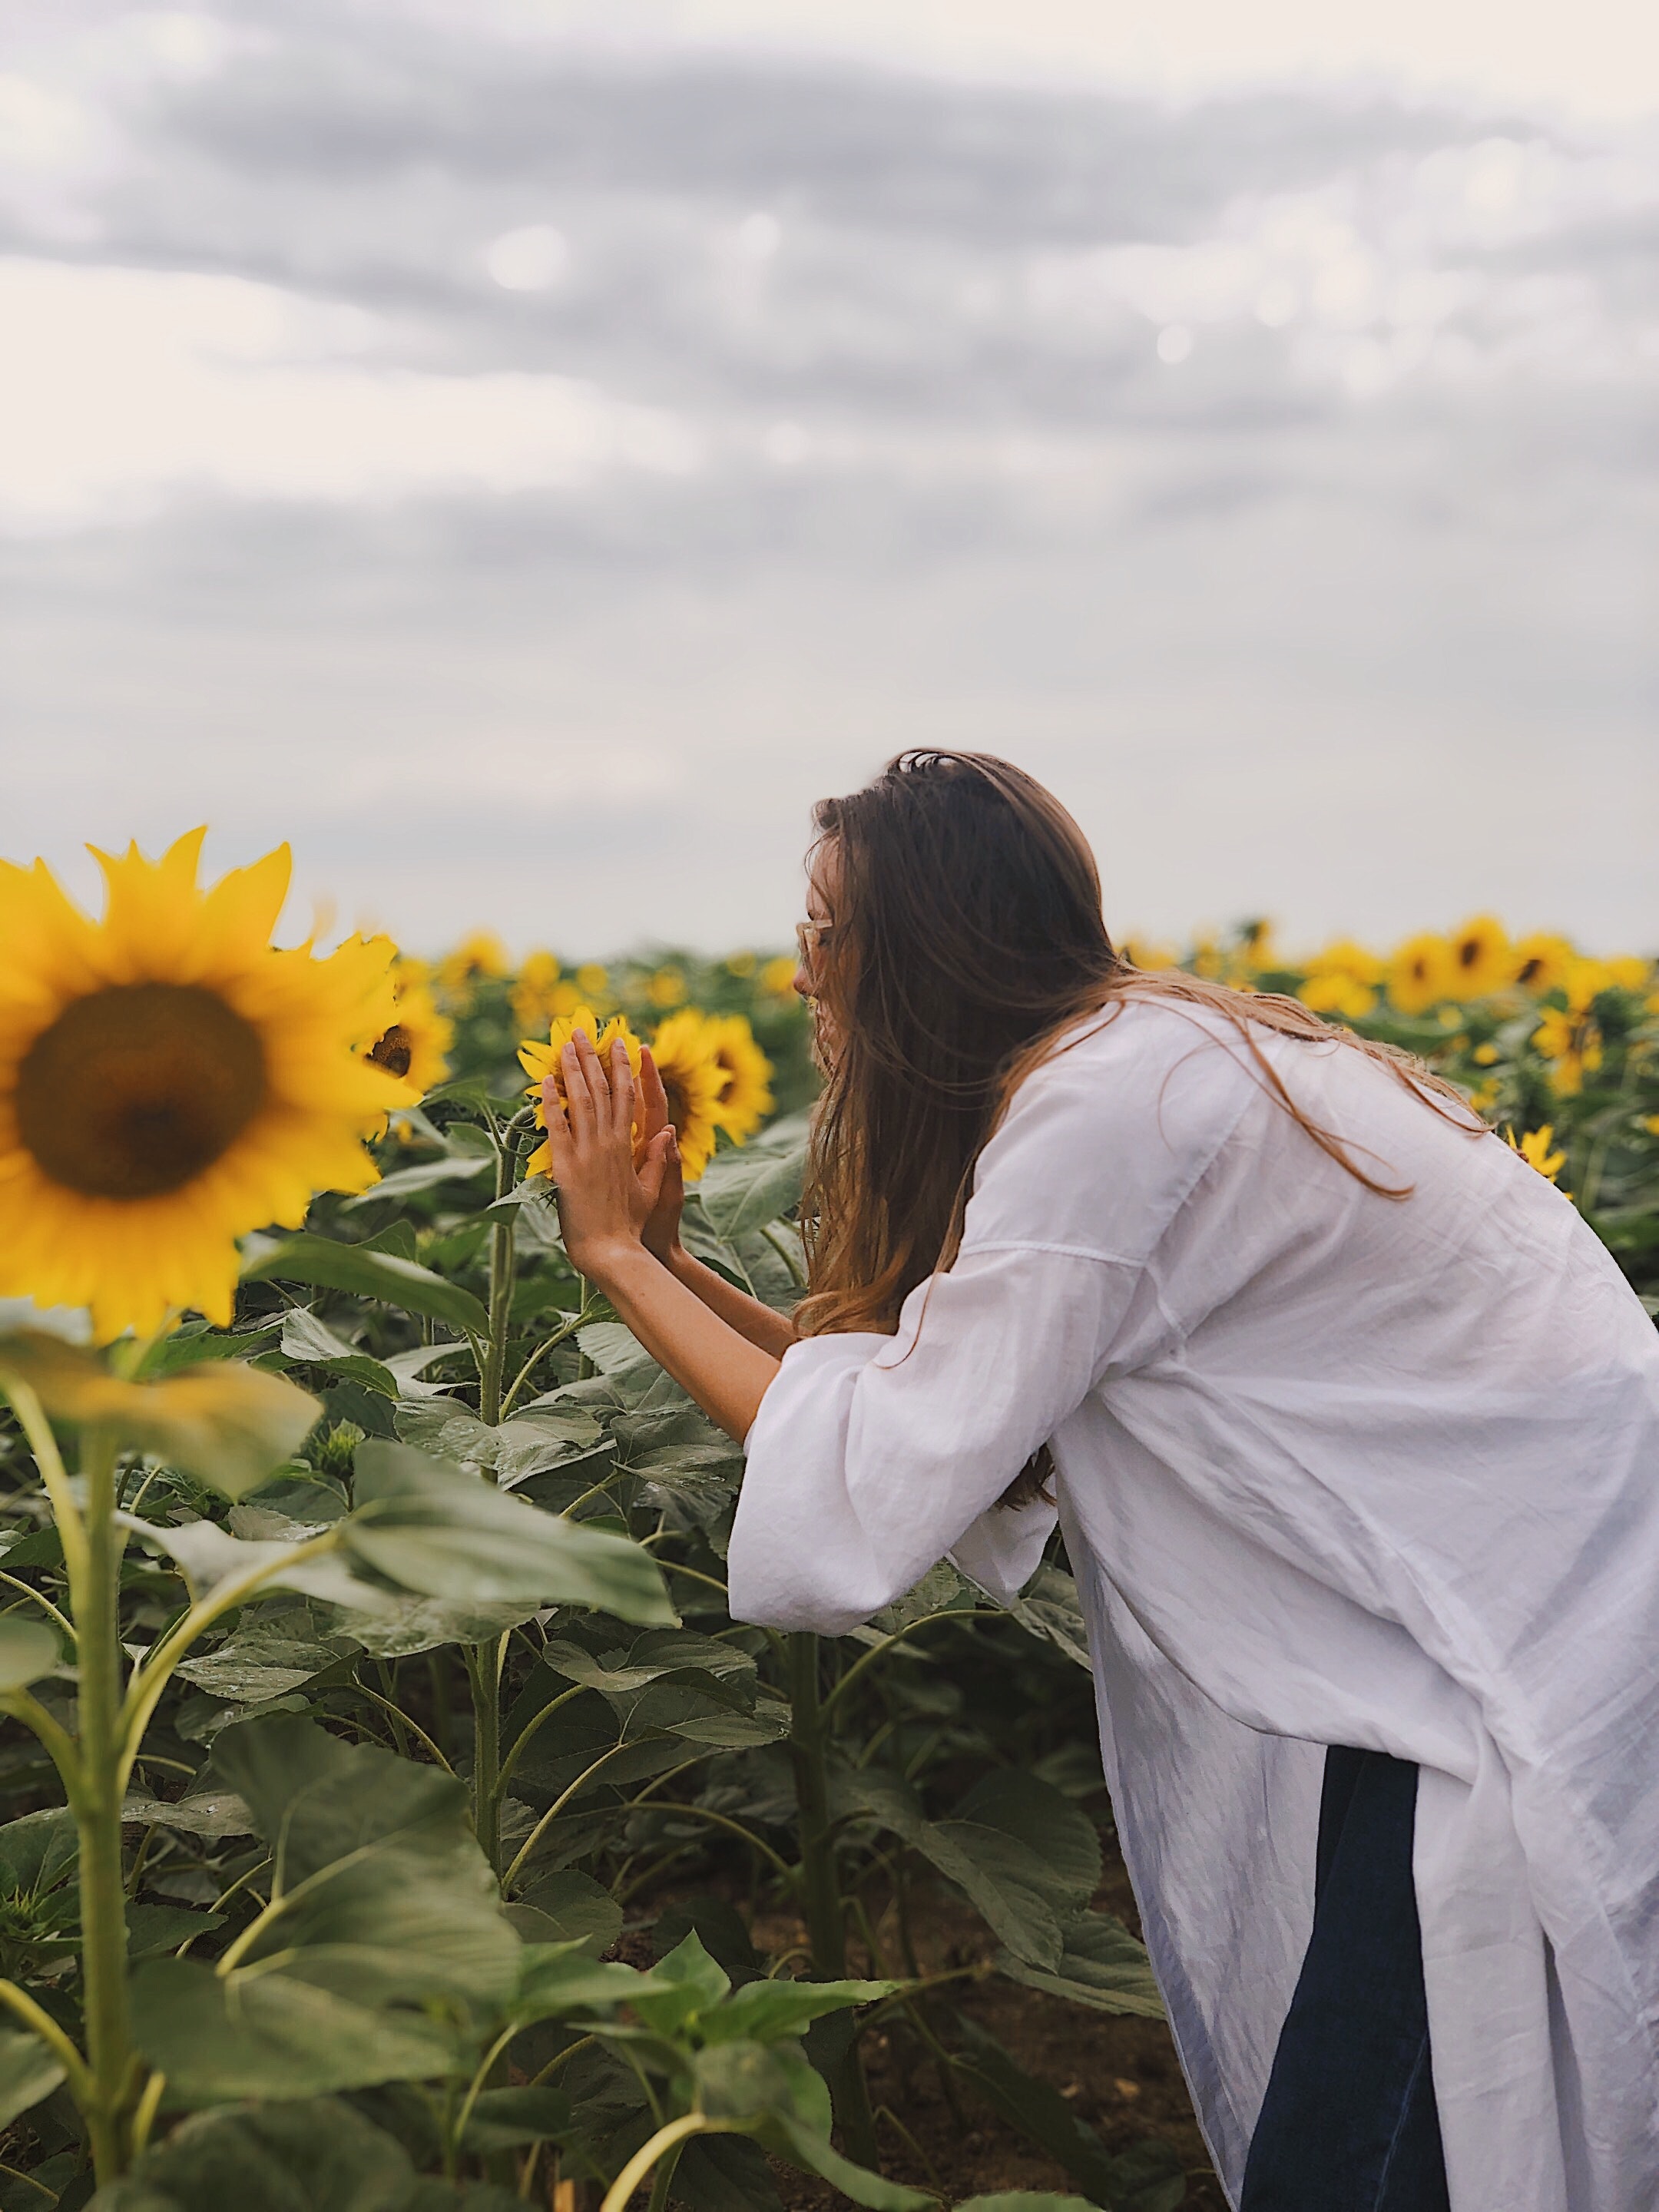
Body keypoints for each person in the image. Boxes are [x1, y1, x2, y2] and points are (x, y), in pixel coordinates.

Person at [540, 750, 1659, 2212]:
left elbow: (876, 1487)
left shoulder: (1103, 1114)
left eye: (824, 934)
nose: (799, 973)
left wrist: (618, 1257)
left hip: (1507, 1622)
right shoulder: (1123, 1064)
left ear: (924, 943)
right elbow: (911, 1409)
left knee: (1365, 2125)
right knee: (1420, 2079)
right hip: (1476, 1597)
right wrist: (676, 1263)